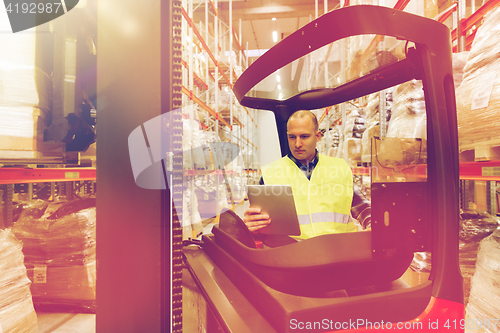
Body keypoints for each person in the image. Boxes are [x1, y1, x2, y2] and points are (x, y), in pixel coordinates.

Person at [244, 110, 371, 240]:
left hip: (340, 253)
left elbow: (363, 208)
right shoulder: (270, 174)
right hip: (292, 254)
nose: (297, 144)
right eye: (292, 137)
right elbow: (258, 223)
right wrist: (253, 225)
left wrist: (371, 226)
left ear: (317, 136)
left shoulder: (340, 168)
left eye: (304, 136)